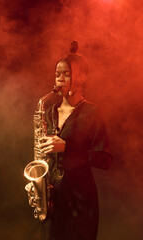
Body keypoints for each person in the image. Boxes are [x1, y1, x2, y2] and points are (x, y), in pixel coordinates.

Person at [38, 41, 112, 240]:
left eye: (66, 74)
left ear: (82, 77)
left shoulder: (93, 112)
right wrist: (37, 185)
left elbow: (105, 160)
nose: (60, 79)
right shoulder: (48, 112)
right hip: (53, 201)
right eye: (57, 74)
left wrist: (66, 148)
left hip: (81, 202)